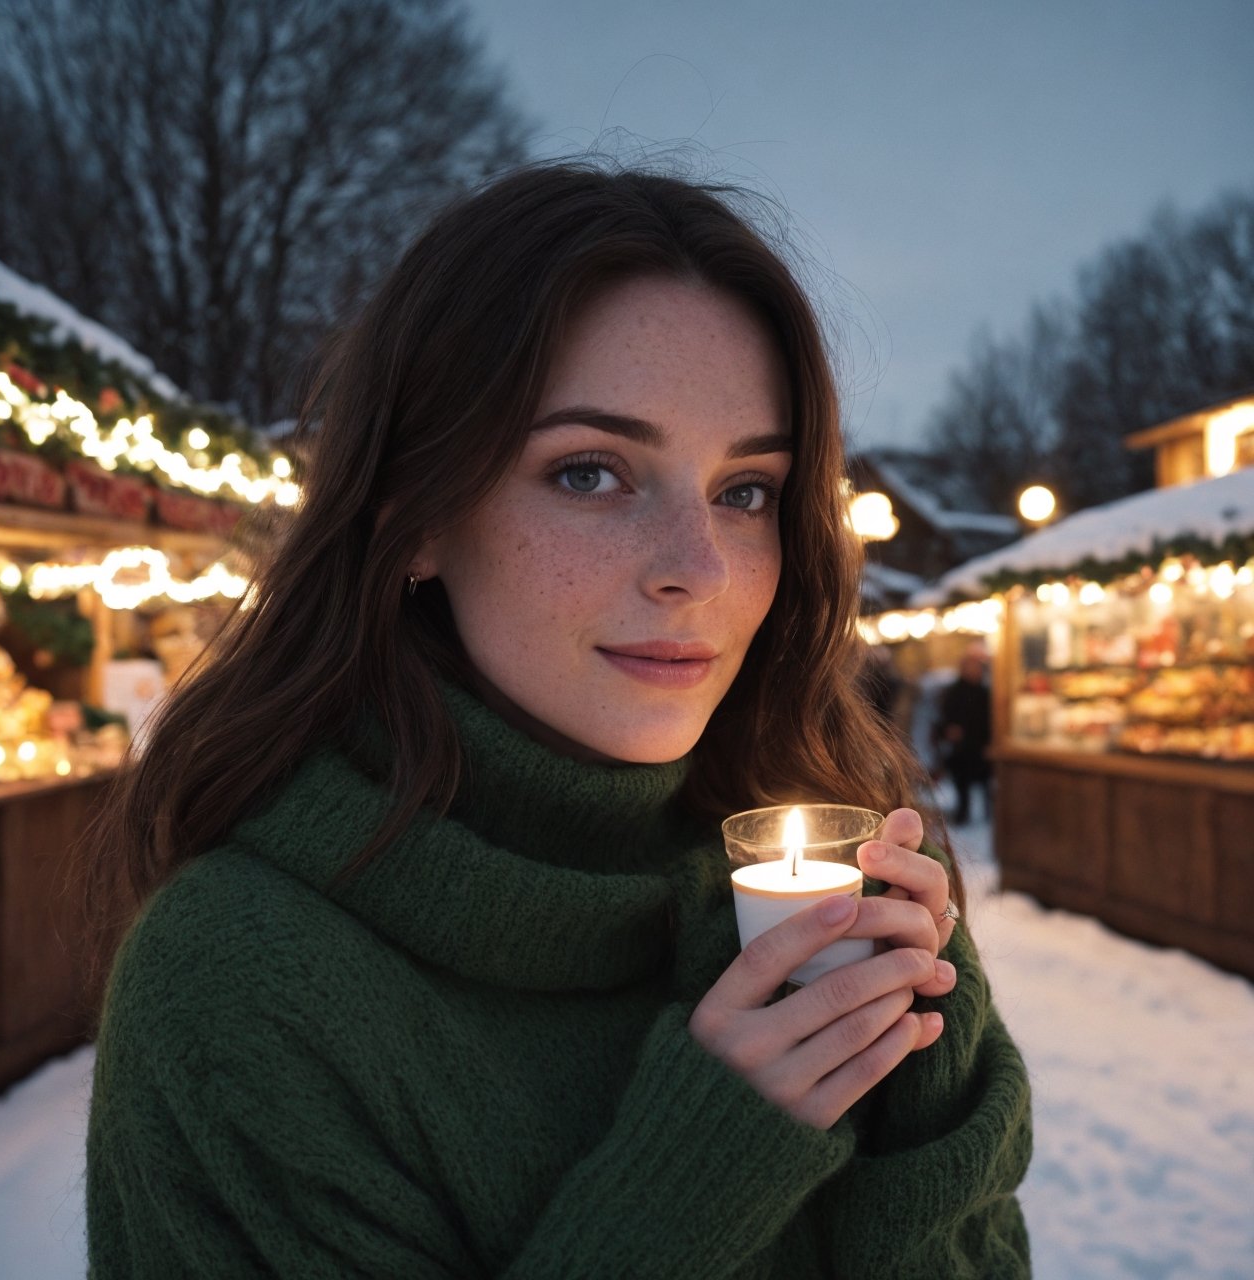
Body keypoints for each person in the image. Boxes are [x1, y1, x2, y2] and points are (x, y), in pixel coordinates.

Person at [83, 162, 1031, 1278]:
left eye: (745, 490)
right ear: (416, 515)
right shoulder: (240, 987)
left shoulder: (821, 907)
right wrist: (683, 1193)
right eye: (590, 473)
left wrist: (931, 1083)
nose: (698, 568)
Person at [935, 651, 994, 825]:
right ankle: (963, 812)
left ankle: (987, 814)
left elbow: (990, 720)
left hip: (980, 745)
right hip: (961, 748)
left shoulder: (985, 692)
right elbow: (944, 717)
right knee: (962, 784)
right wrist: (948, 730)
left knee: (985, 784)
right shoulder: (953, 692)